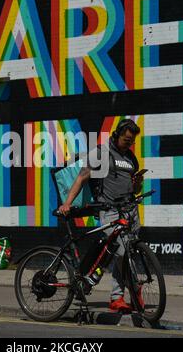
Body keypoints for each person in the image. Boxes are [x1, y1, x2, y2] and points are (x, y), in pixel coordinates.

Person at [59, 119, 144, 313]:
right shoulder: (101, 153)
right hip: (110, 210)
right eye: (126, 139)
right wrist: (67, 203)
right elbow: (82, 176)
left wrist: (138, 182)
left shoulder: (131, 158)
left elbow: (134, 187)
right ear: (117, 134)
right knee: (121, 252)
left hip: (129, 210)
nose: (128, 144)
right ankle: (120, 295)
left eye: (131, 141)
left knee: (129, 253)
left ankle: (121, 296)